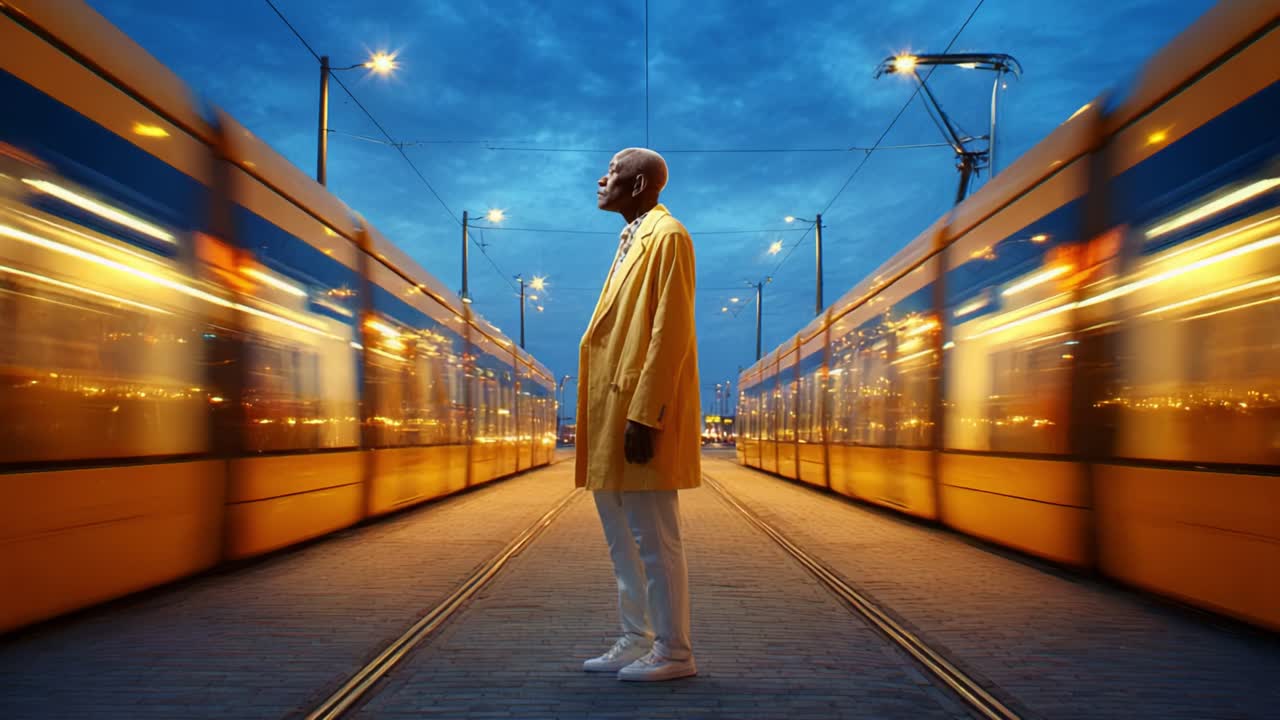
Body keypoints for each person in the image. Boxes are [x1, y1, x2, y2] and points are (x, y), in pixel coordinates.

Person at [575, 148, 701, 682]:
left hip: (635, 413)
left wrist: (646, 414)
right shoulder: (631, 238)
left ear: (641, 181)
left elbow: (670, 330)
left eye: (613, 171)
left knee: (654, 539)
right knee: (622, 539)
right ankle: (635, 638)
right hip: (611, 411)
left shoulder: (668, 236)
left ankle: (674, 652)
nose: (603, 178)